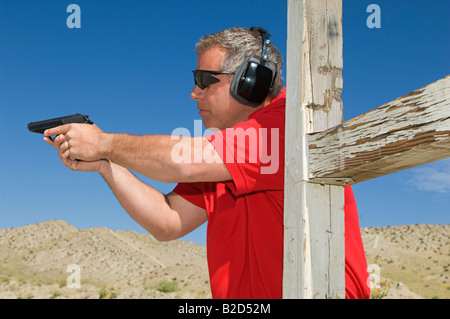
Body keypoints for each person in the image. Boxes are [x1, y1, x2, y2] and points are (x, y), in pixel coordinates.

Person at [44, 26, 370, 299]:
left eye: (204, 80)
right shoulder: (222, 161)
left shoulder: (290, 125)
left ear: (250, 81)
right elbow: (168, 221)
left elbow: (183, 162)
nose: (194, 93)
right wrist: (105, 163)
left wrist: (105, 142)